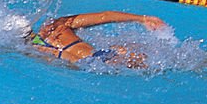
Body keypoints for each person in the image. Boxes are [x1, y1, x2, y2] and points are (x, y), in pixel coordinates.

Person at [25, 11, 167, 69]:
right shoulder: (56, 26)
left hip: (90, 65)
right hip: (100, 58)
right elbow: (104, 16)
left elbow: (66, 63)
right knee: (147, 58)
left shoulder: (32, 48)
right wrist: (141, 19)